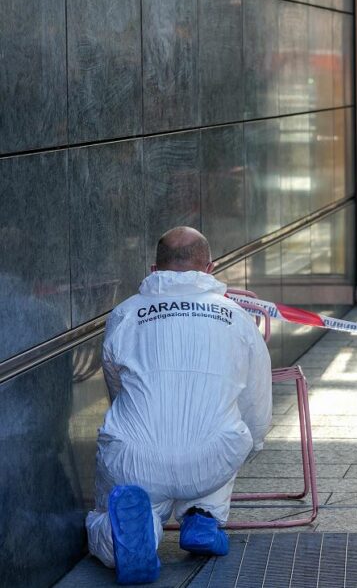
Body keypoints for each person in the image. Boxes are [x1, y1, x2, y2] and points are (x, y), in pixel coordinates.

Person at [86, 227, 271, 585]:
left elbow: (115, 384)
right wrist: (252, 445)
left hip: (137, 458)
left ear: (155, 270)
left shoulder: (125, 314)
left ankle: (133, 535)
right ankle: (203, 517)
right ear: (211, 268)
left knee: (119, 509)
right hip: (212, 460)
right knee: (229, 430)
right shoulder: (235, 317)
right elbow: (256, 402)